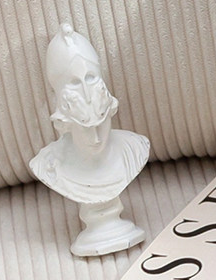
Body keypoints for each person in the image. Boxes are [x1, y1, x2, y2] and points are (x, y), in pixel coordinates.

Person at [29, 23, 148, 256]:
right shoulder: (49, 165)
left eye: (101, 122)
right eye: (84, 127)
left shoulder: (135, 149)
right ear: (65, 122)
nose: (96, 137)